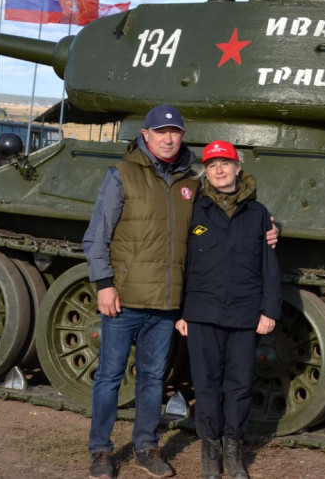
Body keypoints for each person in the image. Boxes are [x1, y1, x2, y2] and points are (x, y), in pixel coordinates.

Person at [82, 106, 277, 479]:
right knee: (109, 376)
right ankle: (101, 451)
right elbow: (97, 235)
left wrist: (268, 227)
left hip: (167, 301)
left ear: (183, 136)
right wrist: (104, 284)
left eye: (174, 131)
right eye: (161, 131)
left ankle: (146, 447)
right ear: (146, 134)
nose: (168, 138)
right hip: (125, 297)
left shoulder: (192, 181)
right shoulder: (122, 174)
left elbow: (228, 212)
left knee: (153, 377)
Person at [175, 140, 280, 479]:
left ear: (238, 168)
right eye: (211, 165)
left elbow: (268, 266)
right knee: (205, 384)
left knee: (239, 385)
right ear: (205, 172)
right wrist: (181, 312)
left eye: (225, 163)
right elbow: (182, 263)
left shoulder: (258, 213)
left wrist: (269, 310)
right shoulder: (195, 210)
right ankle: (210, 451)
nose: (218, 170)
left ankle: (233, 450)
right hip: (202, 311)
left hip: (244, 312)